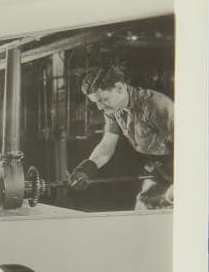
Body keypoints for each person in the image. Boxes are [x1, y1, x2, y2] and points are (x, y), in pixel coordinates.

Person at [68, 65, 173, 210]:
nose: (99, 107)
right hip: (154, 167)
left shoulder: (156, 105)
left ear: (119, 87)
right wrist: (87, 169)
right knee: (142, 211)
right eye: (96, 102)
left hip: (176, 166)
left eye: (103, 99)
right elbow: (108, 142)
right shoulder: (113, 109)